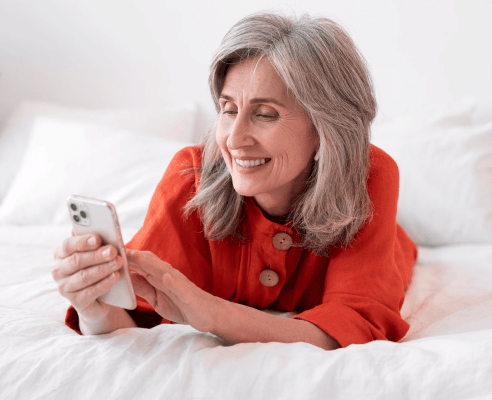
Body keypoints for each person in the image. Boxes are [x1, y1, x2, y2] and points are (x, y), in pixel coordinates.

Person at [52, 11, 417, 350]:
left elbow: (357, 326)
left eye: (265, 114)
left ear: (324, 128)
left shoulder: (370, 175)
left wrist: (212, 314)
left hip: (389, 248)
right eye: (228, 110)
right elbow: (132, 321)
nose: (234, 138)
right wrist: (92, 306)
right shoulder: (191, 174)